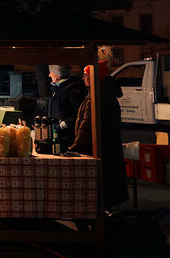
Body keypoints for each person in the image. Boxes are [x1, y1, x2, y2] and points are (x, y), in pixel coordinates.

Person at [68, 64, 128, 210]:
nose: (83, 79)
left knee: (105, 189)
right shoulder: (99, 93)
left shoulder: (99, 97)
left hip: (103, 151)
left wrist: (76, 147)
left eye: (86, 76)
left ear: (93, 78)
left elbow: (88, 125)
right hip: (107, 149)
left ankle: (104, 226)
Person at [48, 64, 86, 150]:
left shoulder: (71, 91)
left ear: (58, 75)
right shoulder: (57, 89)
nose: (49, 75)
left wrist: (65, 123)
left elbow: (80, 112)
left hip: (66, 138)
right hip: (56, 135)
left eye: (51, 72)